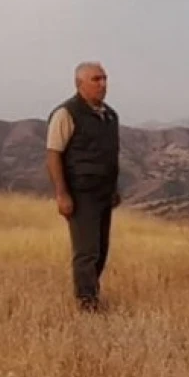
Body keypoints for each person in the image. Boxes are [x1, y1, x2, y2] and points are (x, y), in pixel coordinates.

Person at [45, 61, 122, 312]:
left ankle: (92, 295)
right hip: (80, 193)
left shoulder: (110, 115)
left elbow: (111, 155)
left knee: (101, 250)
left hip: (103, 193)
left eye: (104, 79)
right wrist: (62, 193)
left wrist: (113, 189)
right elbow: (54, 154)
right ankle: (87, 304)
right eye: (96, 80)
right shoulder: (66, 113)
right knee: (86, 251)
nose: (103, 84)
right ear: (79, 84)